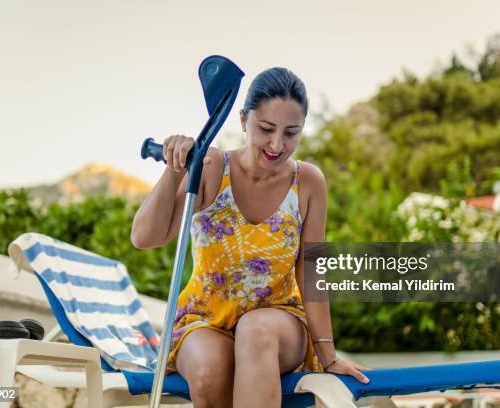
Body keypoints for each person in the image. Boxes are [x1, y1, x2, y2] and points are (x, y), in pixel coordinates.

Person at [131, 67, 369, 408]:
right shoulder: (212, 166)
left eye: (291, 133)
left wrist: (328, 355)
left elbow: (312, 271)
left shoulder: (308, 183)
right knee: (210, 371)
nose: (277, 145)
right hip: (205, 317)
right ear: (243, 121)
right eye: (266, 129)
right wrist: (175, 169)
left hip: (278, 320)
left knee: (255, 331)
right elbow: (145, 237)